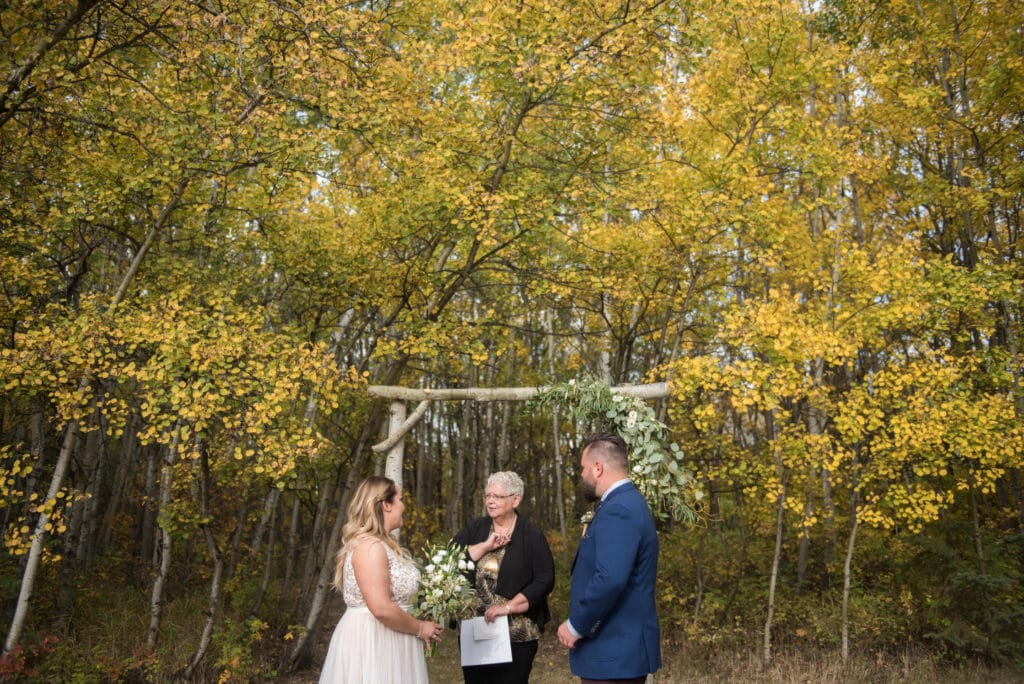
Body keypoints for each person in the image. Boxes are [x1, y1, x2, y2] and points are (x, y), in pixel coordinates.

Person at [557, 432, 662, 684]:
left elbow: (610, 578)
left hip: (614, 649)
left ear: (598, 467)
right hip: (615, 652)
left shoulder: (619, 509)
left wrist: (576, 625)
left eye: (583, 468)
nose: (582, 475)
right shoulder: (623, 503)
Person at [320, 476, 443, 683]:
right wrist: (420, 628)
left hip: (395, 638)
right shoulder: (370, 547)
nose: (403, 506)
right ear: (386, 505)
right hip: (374, 642)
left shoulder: (387, 545)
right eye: (400, 500)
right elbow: (381, 608)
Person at [453, 471, 556, 684]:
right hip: (475, 631)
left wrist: (509, 606)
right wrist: (484, 546)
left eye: (497, 496)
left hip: (516, 634)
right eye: (487, 495)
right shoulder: (476, 529)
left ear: (515, 498)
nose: (490, 501)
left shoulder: (531, 534)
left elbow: (545, 579)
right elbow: (449, 560)